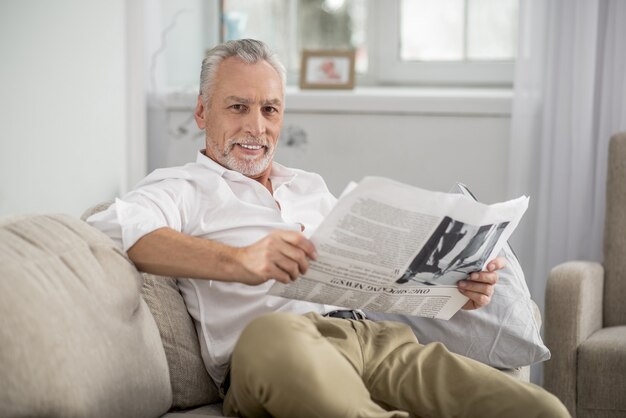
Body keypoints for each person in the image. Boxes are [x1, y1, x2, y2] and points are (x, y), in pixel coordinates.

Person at [88, 39, 569, 418]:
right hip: (269, 349)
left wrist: (460, 288)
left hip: (372, 339)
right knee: (273, 335)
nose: (256, 126)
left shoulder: (310, 187)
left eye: (270, 109)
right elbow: (112, 229)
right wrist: (239, 261)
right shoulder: (182, 187)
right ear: (201, 112)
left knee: (542, 409)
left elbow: (379, 280)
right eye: (237, 107)